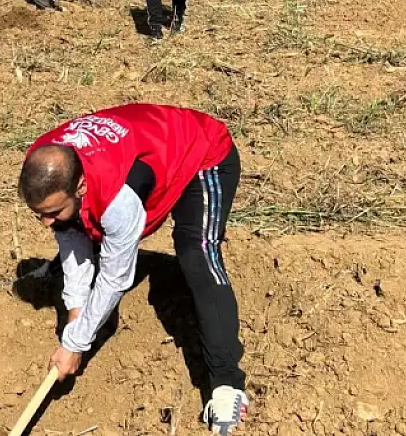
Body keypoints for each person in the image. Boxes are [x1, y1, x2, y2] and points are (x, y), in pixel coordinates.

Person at [18, 103, 248, 435]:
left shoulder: (117, 201)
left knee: (195, 252)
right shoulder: (44, 163)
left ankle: (227, 384)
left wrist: (76, 344)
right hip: (147, 153)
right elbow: (71, 240)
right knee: (77, 229)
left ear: (79, 186)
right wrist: (76, 321)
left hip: (200, 152)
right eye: (38, 212)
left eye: (52, 211)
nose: (44, 223)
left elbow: (115, 278)